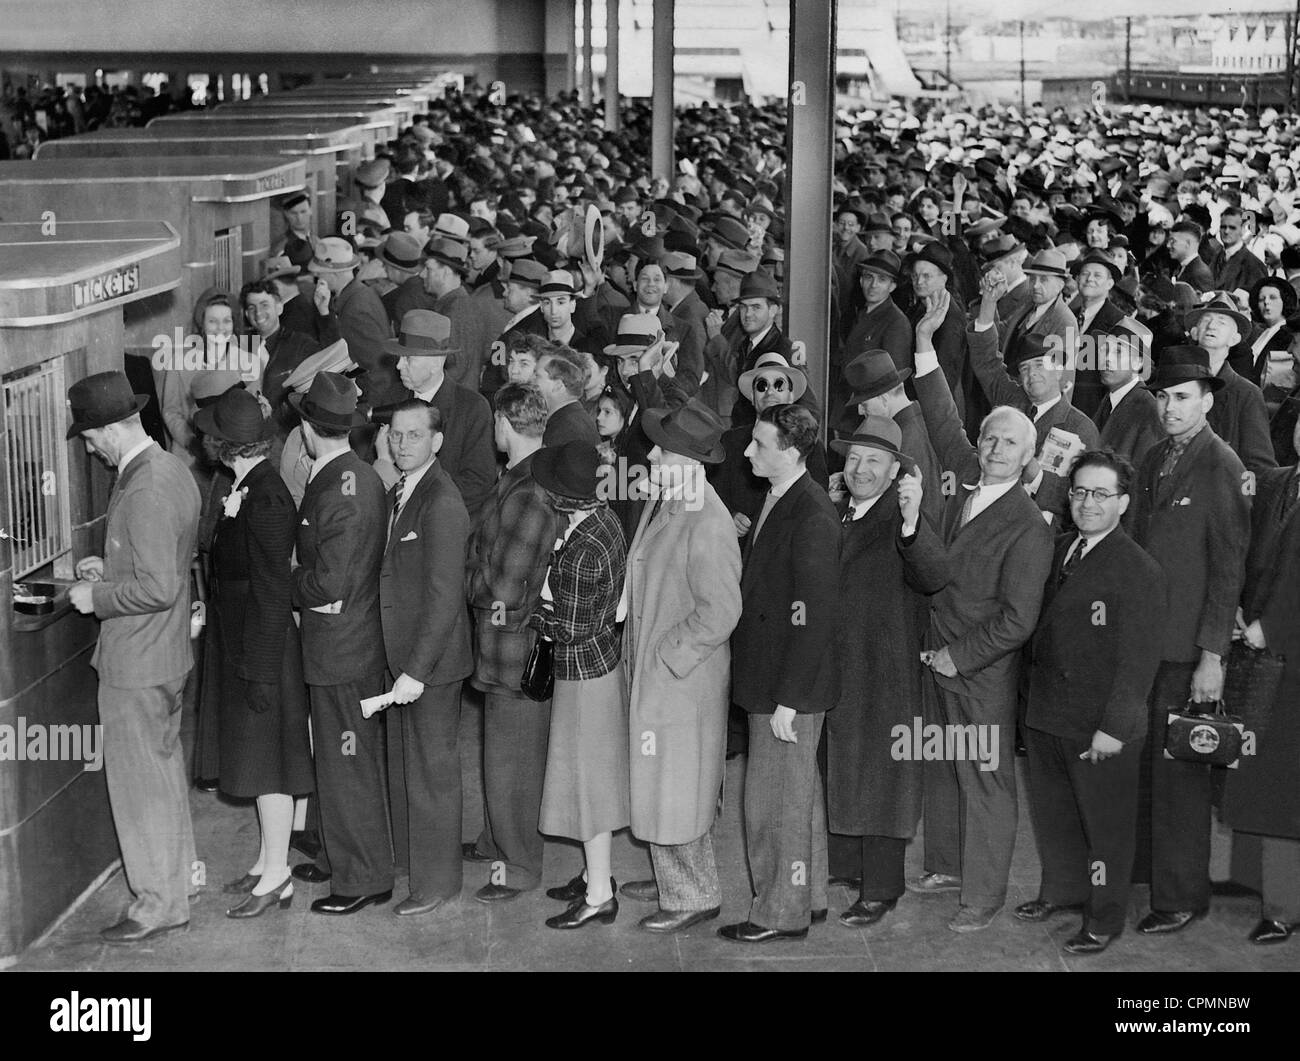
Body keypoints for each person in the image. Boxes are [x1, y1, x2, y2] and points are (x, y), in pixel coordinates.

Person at [898, 345, 1054, 932]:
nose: (994, 449)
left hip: (979, 672)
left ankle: (983, 896)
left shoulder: (1028, 525)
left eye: (1009, 443)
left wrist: (955, 657)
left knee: (986, 781)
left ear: (1030, 456)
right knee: (941, 765)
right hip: (934, 656)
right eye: (989, 439)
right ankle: (944, 866)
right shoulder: (963, 493)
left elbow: (1018, 620)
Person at [66, 371, 200, 944]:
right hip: (167, 655)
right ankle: (179, 880)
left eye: (91, 438)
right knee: (164, 775)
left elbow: (159, 587)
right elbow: (161, 564)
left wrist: (93, 596)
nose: (90, 449)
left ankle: (156, 905)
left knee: (139, 788)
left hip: (136, 665)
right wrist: (112, 569)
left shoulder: (142, 487)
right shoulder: (169, 468)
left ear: (108, 429)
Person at [1018, 450, 1165, 955]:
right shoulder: (1058, 548)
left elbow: (1139, 661)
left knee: (1105, 827)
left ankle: (1103, 917)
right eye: (1079, 491)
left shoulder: (1138, 569)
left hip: (1099, 722)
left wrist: (1115, 728)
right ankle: (1062, 891)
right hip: (1048, 712)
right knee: (1054, 815)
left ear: (1123, 503)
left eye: (1100, 494)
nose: (1086, 502)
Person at [1128, 346, 1250, 935]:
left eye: (1181, 397)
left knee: (1180, 777)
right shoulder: (1154, 458)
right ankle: (1150, 878)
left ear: (1206, 400)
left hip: (1186, 648)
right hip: (1147, 642)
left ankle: (1180, 897)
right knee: (1148, 767)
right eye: (1161, 396)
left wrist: (1212, 656)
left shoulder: (1220, 463)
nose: (1168, 406)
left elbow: (1229, 568)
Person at [619, 399, 742, 933]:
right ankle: (671, 874)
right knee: (661, 782)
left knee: (679, 785)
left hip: (680, 678)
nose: (650, 455)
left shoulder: (707, 520)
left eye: (661, 452)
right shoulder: (669, 499)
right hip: (657, 670)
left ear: (688, 462)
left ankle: (695, 894)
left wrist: (666, 656)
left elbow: (721, 612)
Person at [720, 404, 840, 944]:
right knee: (799, 798)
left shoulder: (811, 514)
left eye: (760, 444)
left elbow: (813, 615)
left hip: (786, 687)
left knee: (773, 807)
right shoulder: (781, 497)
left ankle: (778, 913)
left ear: (790, 452)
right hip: (774, 676)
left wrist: (790, 699)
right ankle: (807, 898)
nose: (748, 452)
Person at [193, 387, 313, 918]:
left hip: (262, 647)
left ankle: (278, 875)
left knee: (271, 768)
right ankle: (268, 864)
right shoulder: (246, 484)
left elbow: (270, 588)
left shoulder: (264, 496)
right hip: (243, 640)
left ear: (225, 444)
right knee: (264, 764)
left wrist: (262, 670)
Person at [288, 372, 395, 915]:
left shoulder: (343, 487)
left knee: (346, 763)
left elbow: (330, 582)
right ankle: (337, 856)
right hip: (344, 642)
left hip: (342, 649)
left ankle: (363, 879)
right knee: (336, 759)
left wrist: (286, 580)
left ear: (309, 428)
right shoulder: (351, 475)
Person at [825, 417, 927, 928]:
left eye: (874, 462)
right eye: (855, 459)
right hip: (843, 663)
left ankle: (883, 887)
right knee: (843, 764)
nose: (861, 470)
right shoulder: (839, 509)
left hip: (884, 668)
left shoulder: (901, 516)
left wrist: (912, 523)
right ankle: (846, 865)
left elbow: (935, 575)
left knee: (883, 778)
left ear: (894, 472)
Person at [379, 399, 474, 916]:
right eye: (396, 435)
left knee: (434, 775)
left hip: (430, 666)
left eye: (414, 436)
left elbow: (444, 596)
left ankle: (437, 884)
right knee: (413, 770)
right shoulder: (405, 489)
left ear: (436, 441)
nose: (402, 444)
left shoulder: (441, 501)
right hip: (407, 658)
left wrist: (416, 670)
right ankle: (415, 864)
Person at [467, 384, 561, 901]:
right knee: (501, 754)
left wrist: (468, 583)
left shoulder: (529, 491)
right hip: (507, 645)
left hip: (515, 649)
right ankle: (493, 839)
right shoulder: (523, 478)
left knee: (513, 762)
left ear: (503, 422)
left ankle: (519, 863)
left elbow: (504, 589)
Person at [531, 441, 630, 929]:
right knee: (589, 781)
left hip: (582, 674)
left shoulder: (584, 545)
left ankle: (598, 896)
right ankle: (597, 873)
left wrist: (530, 616)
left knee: (587, 788)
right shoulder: (603, 520)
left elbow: (569, 627)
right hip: (600, 665)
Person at [1225, 418, 1300, 945]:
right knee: (1265, 778)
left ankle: (1283, 904)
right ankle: (1267, 894)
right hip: (1262, 655)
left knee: (1285, 784)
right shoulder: (1275, 482)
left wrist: (1271, 625)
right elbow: (1246, 550)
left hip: (1285, 645)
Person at [959, 282, 1099, 521]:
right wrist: (988, 303)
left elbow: (1079, 497)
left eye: (1039, 365)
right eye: (1024, 368)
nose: (1031, 374)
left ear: (1058, 370)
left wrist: (1036, 476)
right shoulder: (1012, 401)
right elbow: (987, 363)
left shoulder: (1080, 427)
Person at [389, 309, 496, 522]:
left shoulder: (472, 408)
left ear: (436, 362)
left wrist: (416, 502)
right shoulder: (392, 398)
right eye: (400, 357)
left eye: (408, 358)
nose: (399, 365)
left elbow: (478, 482)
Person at [1182, 294, 1277, 476]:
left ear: (1234, 339)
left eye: (1222, 322)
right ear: (1194, 332)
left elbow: (1259, 467)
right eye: (1206, 320)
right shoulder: (1177, 383)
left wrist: (1242, 501)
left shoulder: (1246, 394)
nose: (1211, 326)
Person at [308, 237, 405, 411]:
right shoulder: (358, 294)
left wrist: (369, 411)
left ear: (333, 274)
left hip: (369, 400)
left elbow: (374, 365)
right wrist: (324, 312)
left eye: (320, 273)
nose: (317, 277)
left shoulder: (355, 308)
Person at [536, 347, 601, 447]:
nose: (530, 381)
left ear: (558, 385)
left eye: (537, 376)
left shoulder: (565, 430)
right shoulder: (568, 419)